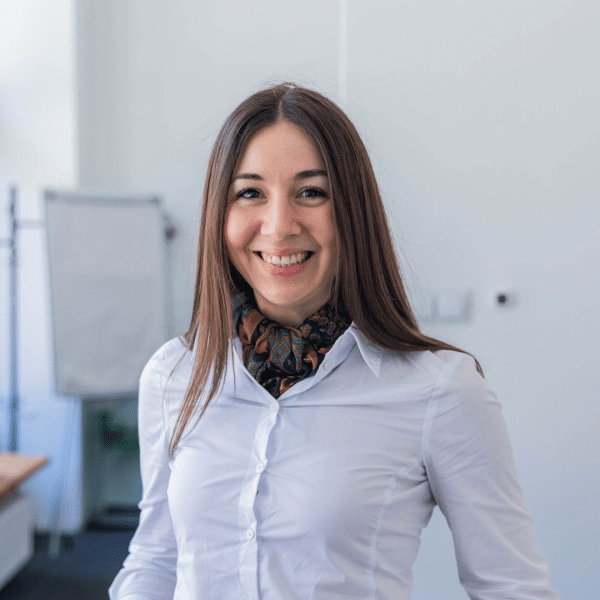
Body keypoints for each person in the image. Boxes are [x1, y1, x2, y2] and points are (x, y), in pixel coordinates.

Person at [109, 83, 559, 599]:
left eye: (311, 192)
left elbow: (513, 587)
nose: (278, 227)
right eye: (249, 192)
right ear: (220, 213)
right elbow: (156, 560)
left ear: (353, 211)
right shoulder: (174, 375)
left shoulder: (442, 392)